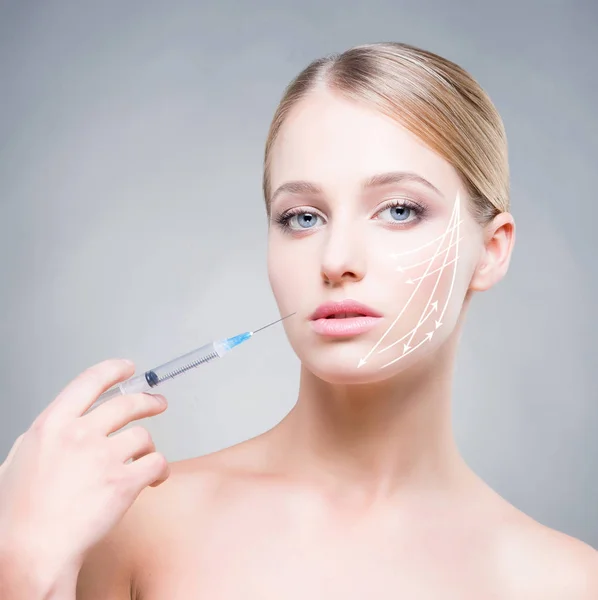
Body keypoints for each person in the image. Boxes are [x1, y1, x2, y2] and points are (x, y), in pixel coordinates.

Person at [1, 42, 596, 600]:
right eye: (303, 217)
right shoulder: (128, 524)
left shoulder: (565, 582)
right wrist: (20, 565)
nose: (336, 261)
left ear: (491, 250)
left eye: (399, 210)